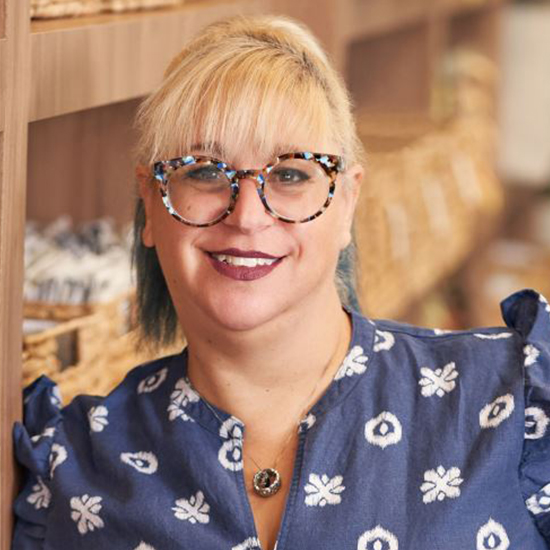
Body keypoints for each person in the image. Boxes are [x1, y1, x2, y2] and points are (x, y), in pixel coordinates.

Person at [11, 14, 550, 550]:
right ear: (151, 203)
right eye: (204, 171)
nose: (247, 216)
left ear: (347, 203)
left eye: (291, 174)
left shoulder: (509, 402)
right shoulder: (76, 466)